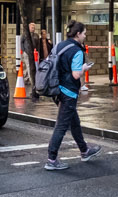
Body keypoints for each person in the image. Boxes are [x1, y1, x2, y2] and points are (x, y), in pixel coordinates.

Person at [43, 20, 102, 170]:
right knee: (62, 125)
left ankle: (85, 151)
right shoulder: (77, 51)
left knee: (74, 121)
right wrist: (84, 68)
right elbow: (76, 75)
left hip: (56, 89)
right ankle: (52, 159)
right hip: (68, 91)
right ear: (78, 34)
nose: (85, 36)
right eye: (84, 33)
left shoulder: (60, 45)